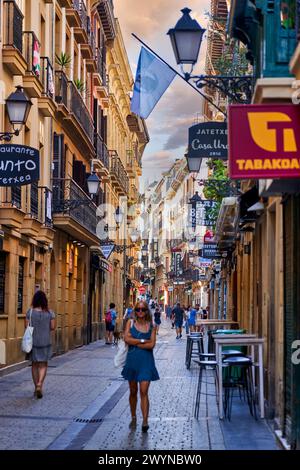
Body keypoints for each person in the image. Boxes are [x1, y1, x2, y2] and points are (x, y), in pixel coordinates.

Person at [122, 301, 159, 432]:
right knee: (133, 391)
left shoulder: (152, 326)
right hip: (132, 361)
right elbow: (127, 339)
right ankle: (133, 417)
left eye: (143, 310)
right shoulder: (130, 323)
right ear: (135, 311)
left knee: (144, 391)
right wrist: (143, 341)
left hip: (146, 362)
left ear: (147, 311)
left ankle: (145, 420)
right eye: (138, 310)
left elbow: (152, 345)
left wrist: (135, 342)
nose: (140, 312)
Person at [25, 290, 55, 399]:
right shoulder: (50, 313)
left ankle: (36, 387)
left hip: (33, 342)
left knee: (34, 365)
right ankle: (40, 384)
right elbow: (52, 327)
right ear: (44, 301)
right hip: (45, 341)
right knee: (43, 364)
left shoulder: (30, 312)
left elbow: (26, 327)